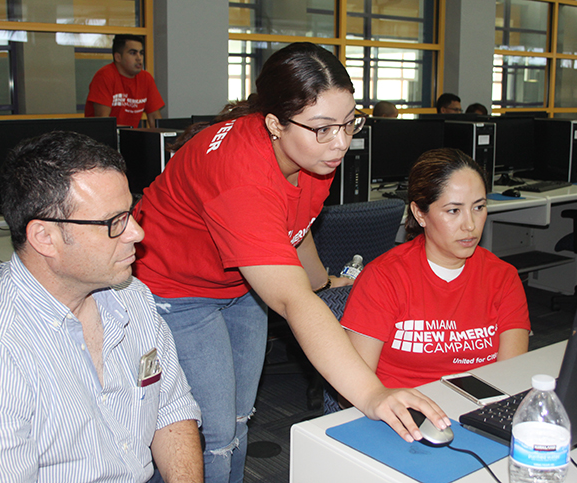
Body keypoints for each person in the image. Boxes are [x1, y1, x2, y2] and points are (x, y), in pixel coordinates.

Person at [133, 42, 449, 483]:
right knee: (214, 429)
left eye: (349, 122)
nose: (341, 142)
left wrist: (324, 282)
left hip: (239, 282)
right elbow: (290, 300)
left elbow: (293, 229)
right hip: (174, 289)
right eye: (323, 128)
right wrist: (373, 395)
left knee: (240, 416)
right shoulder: (242, 177)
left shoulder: (315, 151)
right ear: (274, 124)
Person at [0, 131, 202, 482]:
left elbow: (171, 410)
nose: (137, 233)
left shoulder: (130, 295)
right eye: (115, 222)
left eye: (131, 213)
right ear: (44, 238)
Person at [341, 148, 530, 389]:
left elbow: (509, 379)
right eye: (453, 210)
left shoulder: (503, 277)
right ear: (420, 214)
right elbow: (351, 392)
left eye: (479, 207)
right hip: (401, 416)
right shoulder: (384, 278)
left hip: (475, 412)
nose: (470, 225)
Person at [85, 34, 164, 128]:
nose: (139, 58)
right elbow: (103, 121)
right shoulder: (105, 76)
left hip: (130, 137)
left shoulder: (146, 78)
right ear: (118, 57)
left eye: (141, 53)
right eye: (133, 53)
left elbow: (154, 118)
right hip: (102, 138)